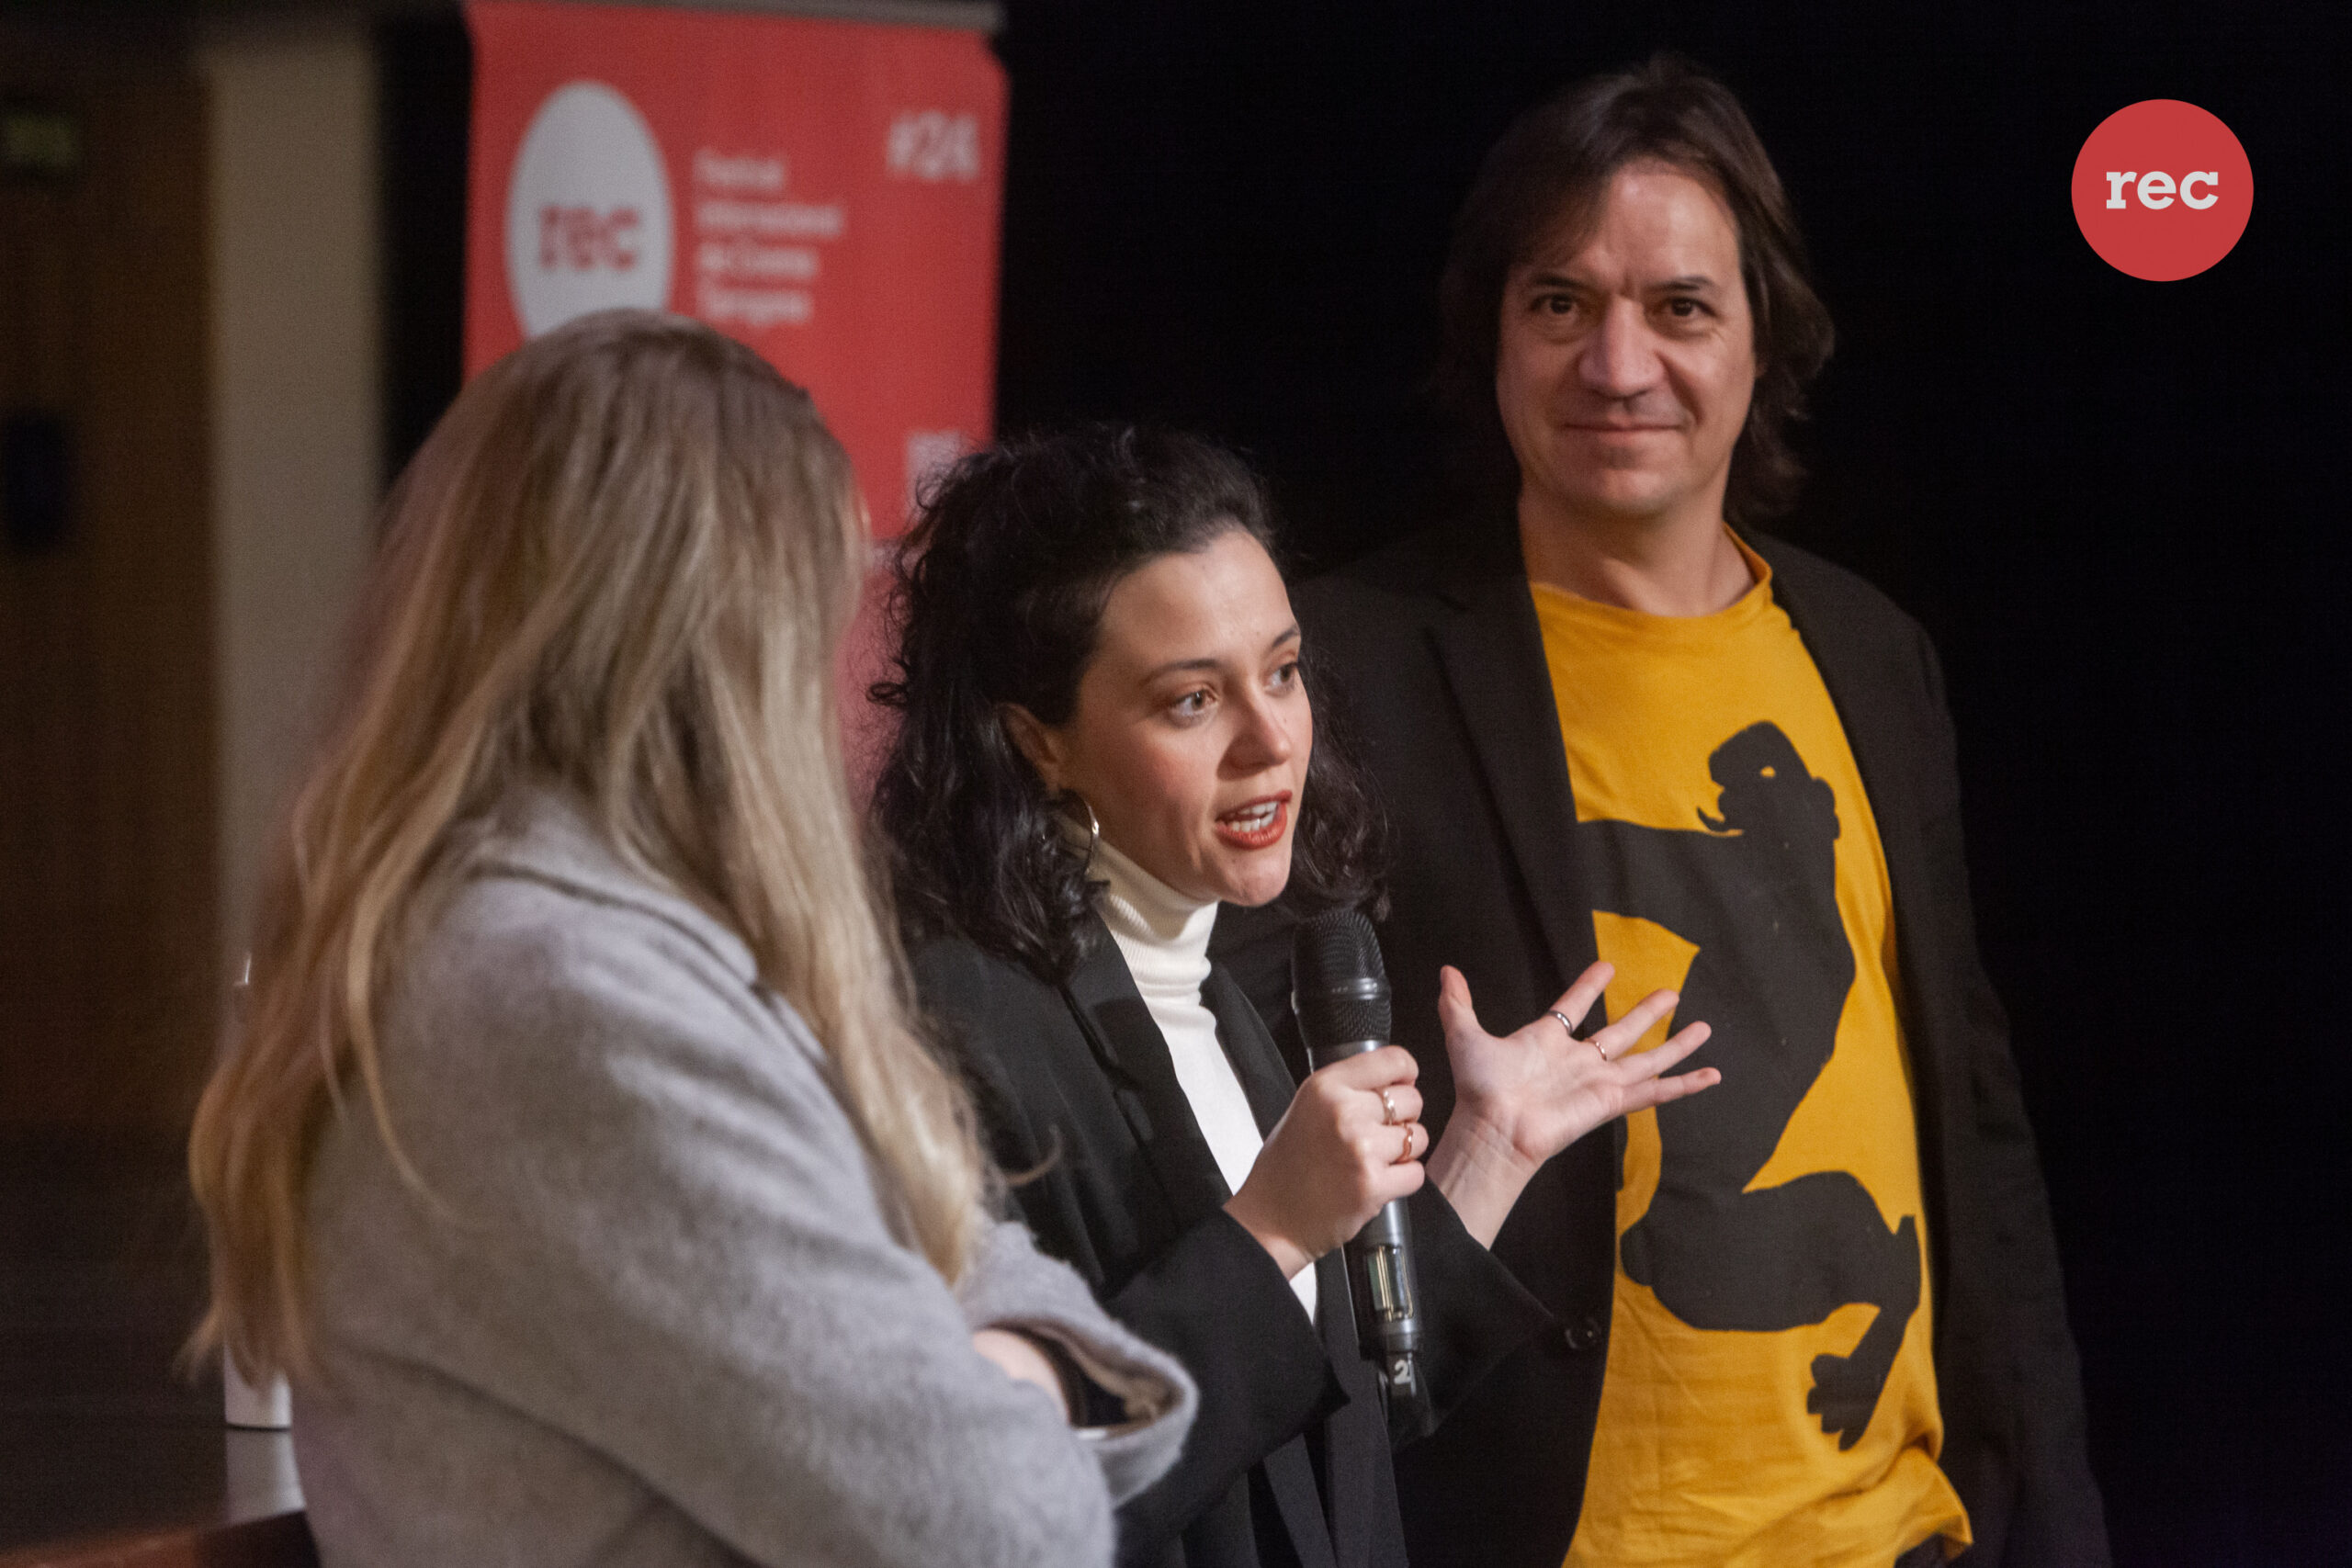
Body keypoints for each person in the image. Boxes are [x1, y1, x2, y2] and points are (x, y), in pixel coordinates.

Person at [1214, 55, 2109, 1568]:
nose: (1617, 364)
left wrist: (2061, 1519)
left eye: (1679, 307)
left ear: (1767, 336)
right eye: (1560, 303)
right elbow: (1226, 1091)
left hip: (1901, 1531)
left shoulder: (1871, 651)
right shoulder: (1346, 665)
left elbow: (1974, 1117)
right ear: (1492, 334)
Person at [183, 311, 1196, 1568]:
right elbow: (1005, 1525)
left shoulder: (562, 953)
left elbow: (1024, 1320)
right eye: (826, 614)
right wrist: (1018, 1369)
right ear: (732, 645)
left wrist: (975, 1368)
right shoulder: (564, 1003)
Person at [872, 425, 1718, 1568]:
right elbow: (997, 1495)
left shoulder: (1213, 989)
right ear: (1038, 742)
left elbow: (1313, 1439)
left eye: (1281, 671)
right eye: (1191, 701)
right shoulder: (950, 1038)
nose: (1271, 739)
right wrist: (1270, 1227)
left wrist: (1487, 1154)